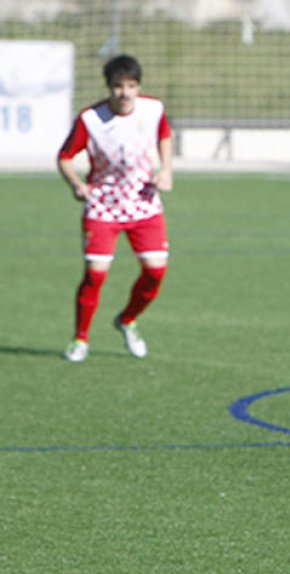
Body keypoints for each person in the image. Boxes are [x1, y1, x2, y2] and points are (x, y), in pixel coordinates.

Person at [58, 54, 173, 363]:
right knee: (95, 275)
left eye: (131, 86)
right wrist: (77, 185)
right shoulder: (91, 119)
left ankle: (127, 320)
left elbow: (164, 135)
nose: (125, 93)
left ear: (139, 87)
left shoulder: (153, 110)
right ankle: (80, 338)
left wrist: (166, 170)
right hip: (103, 207)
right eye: (118, 87)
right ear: (109, 87)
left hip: (144, 203)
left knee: (156, 271)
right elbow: (65, 157)